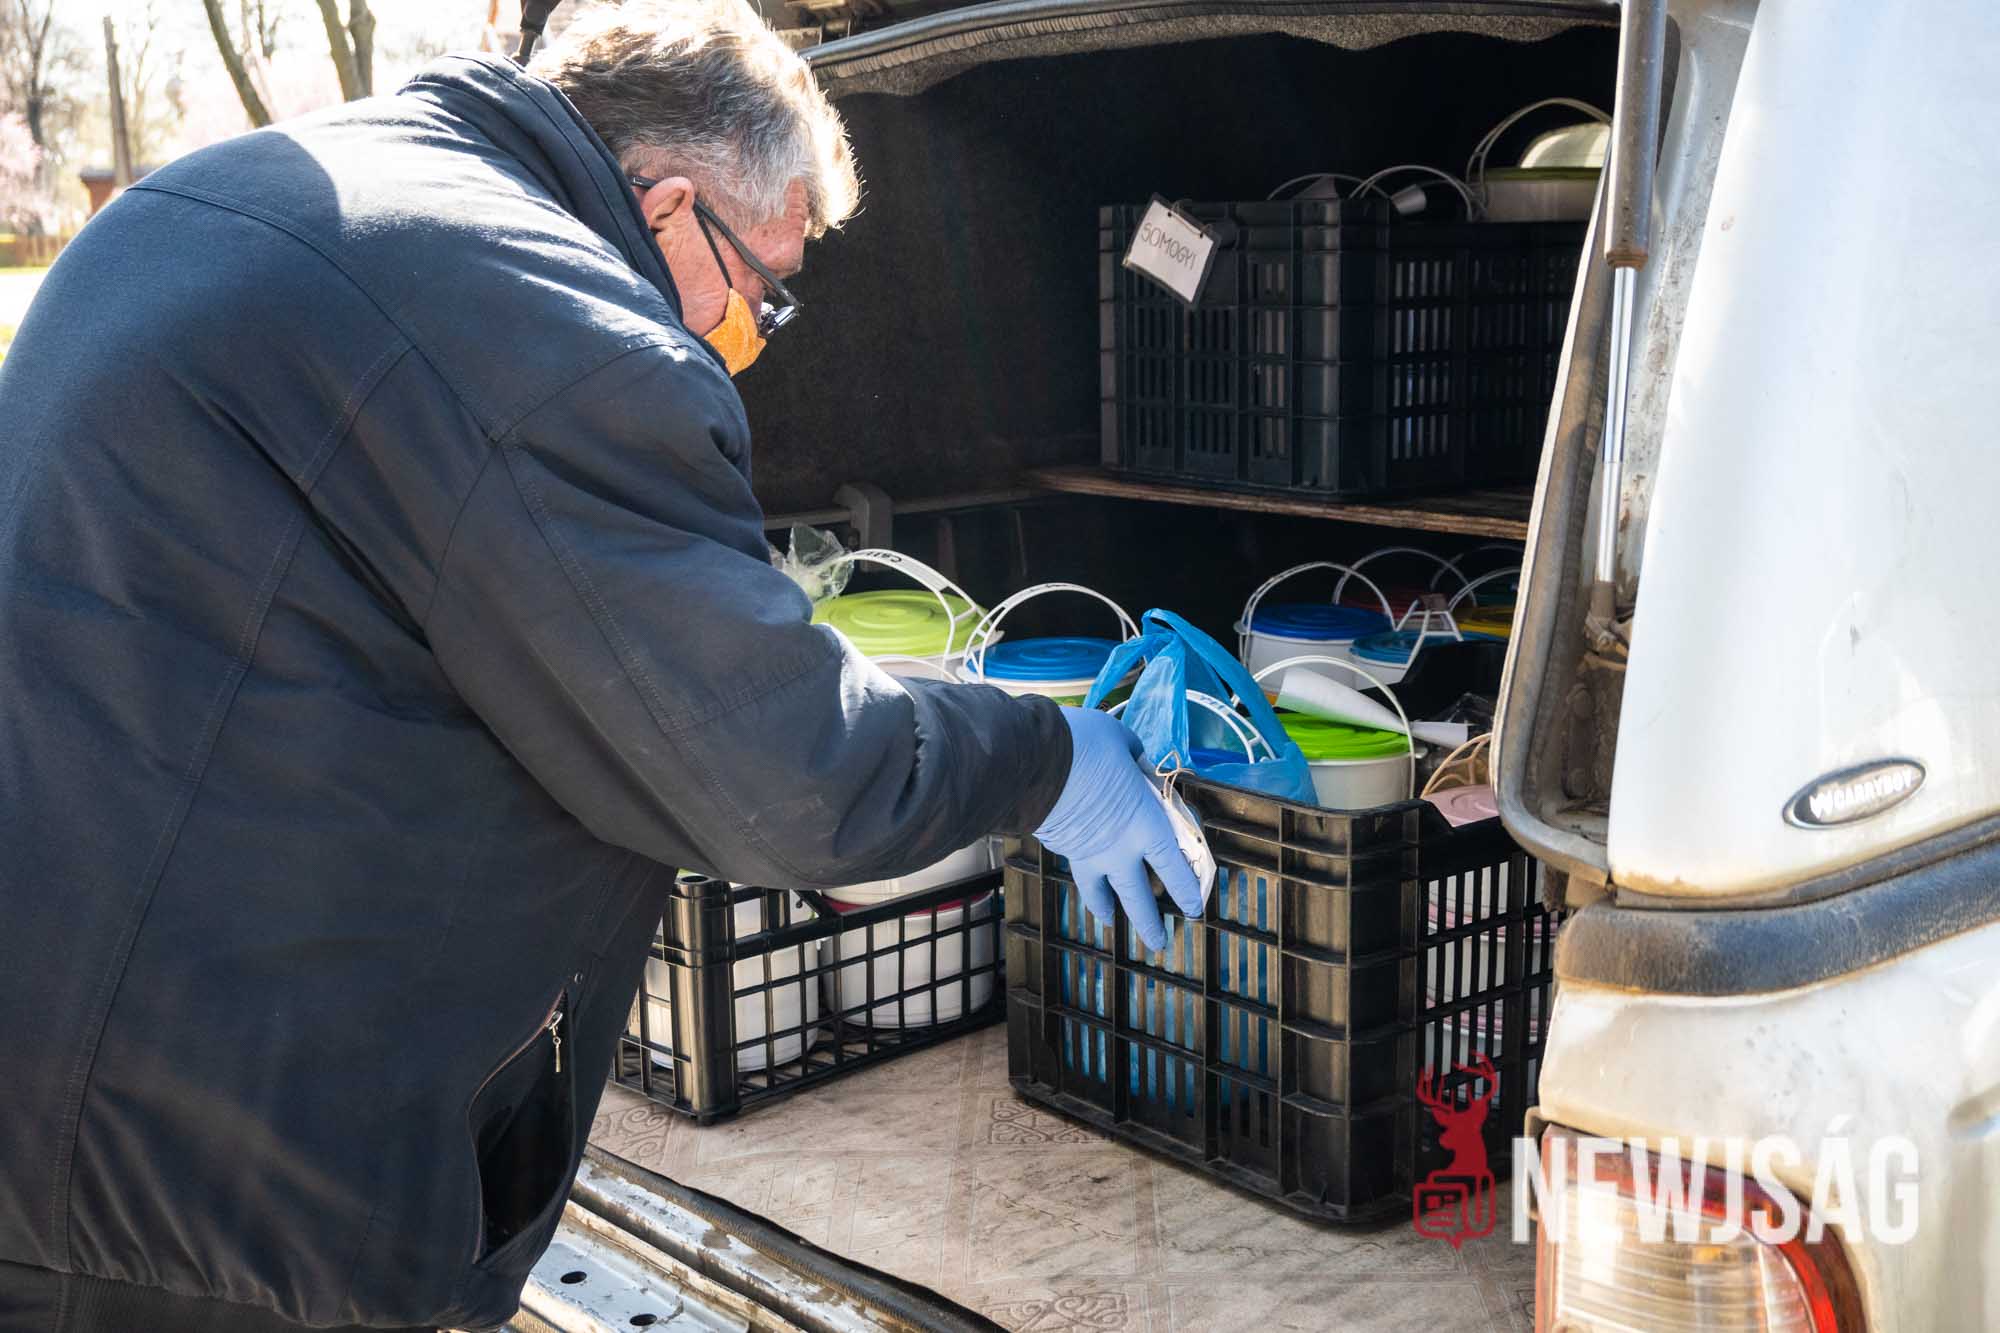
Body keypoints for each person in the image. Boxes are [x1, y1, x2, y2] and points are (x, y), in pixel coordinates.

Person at [0, 2, 1201, 1330]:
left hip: (68, 1077)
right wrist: (1046, 758)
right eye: (764, 293)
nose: (748, 340)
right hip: (203, 1188)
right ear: (670, 203)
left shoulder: (219, 198)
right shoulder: (553, 330)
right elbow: (784, 778)